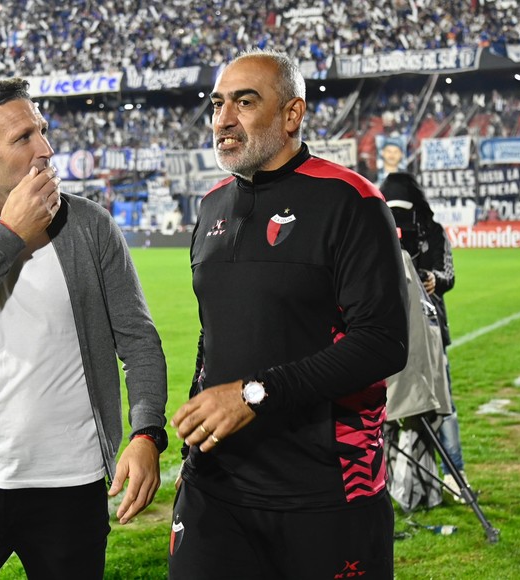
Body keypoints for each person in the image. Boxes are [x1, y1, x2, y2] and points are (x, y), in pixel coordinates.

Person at [0, 78, 168, 580]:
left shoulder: (90, 225)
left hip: (71, 485)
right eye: (23, 137)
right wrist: (11, 234)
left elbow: (138, 340)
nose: (45, 147)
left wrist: (147, 432)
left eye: (41, 130)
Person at [168, 50, 408, 579]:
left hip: (325, 492)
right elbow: (214, 338)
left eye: (244, 102)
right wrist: (193, 445)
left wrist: (254, 393)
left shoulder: (351, 201)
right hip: (215, 490)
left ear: (292, 114)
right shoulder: (210, 207)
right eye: (217, 104)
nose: (223, 120)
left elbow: (383, 342)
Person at [380, 171, 470, 503]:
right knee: (384, 405)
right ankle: (384, 479)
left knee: (442, 404)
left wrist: (434, 279)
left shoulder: (433, 231)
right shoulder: (378, 228)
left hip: (431, 331)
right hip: (388, 330)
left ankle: (455, 476)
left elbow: (448, 275)